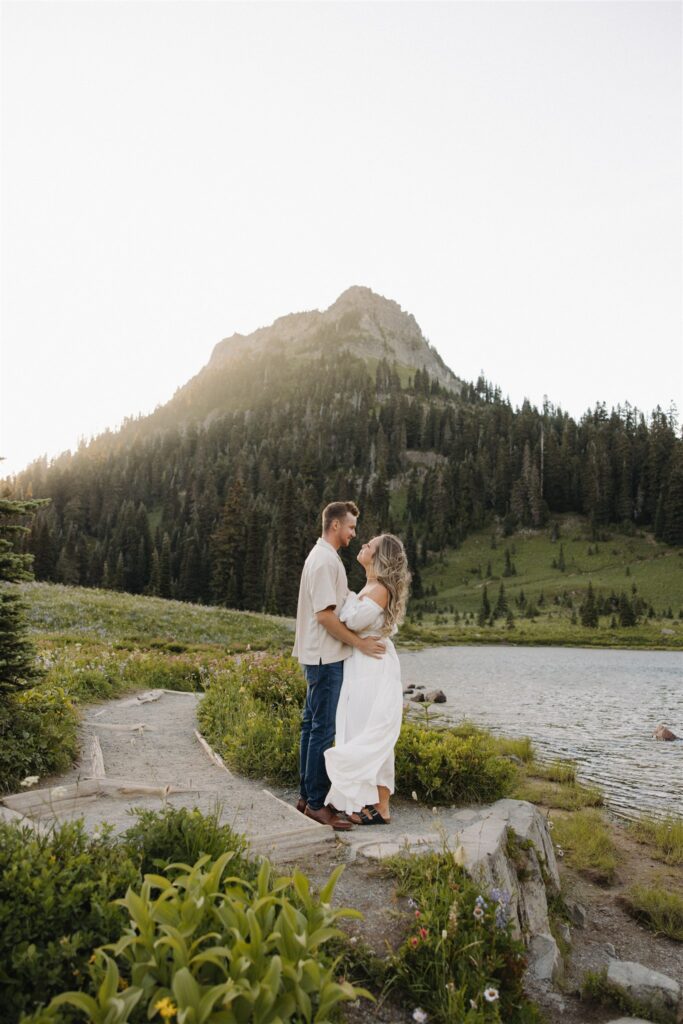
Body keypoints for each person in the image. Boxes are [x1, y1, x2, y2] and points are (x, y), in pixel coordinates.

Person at [292, 501, 385, 831]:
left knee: (311, 725)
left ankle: (306, 797)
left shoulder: (326, 559)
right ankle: (317, 805)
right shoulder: (323, 562)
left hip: (319, 655)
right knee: (322, 730)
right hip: (325, 657)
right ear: (334, 526)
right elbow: (325, 616)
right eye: (350, 528)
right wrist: (359, 643)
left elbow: (341, 603)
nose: (353, 534)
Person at [324, 534, 410, 825]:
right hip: (361, 666)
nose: (363, 546)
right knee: (359, 727)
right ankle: (362, 800)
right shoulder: (370, 587)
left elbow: (352, 622)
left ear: (379, 556)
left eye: (369, 546)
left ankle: (382, 807)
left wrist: (344, 600)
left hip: (375, 669)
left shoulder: (381, 589)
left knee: (375, 732)